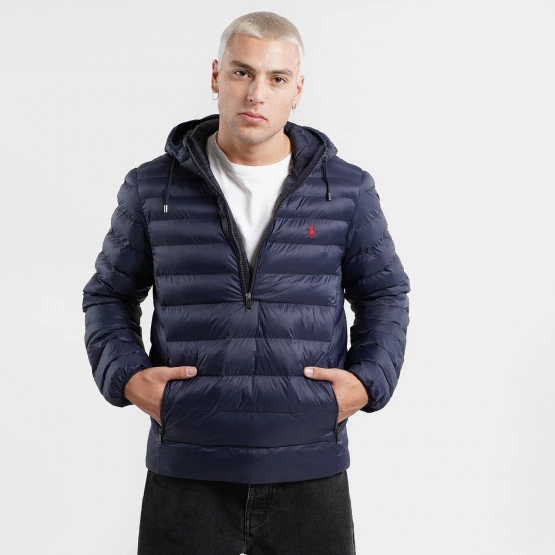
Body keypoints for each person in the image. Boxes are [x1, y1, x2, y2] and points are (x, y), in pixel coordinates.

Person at [82, 11, 410, 555]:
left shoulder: (347, 189)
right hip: (188, 469)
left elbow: (384, 293)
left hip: (310, 468)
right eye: (242, 72)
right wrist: (129, 378)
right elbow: (109, 294)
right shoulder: (151, 187)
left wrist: (368, 380)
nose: (257, 93)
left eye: (277, 79)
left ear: (297, 91)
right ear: (216, 76)